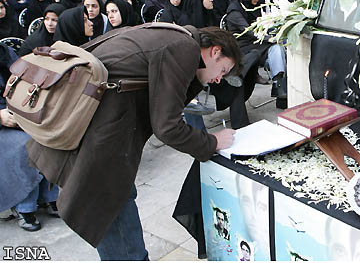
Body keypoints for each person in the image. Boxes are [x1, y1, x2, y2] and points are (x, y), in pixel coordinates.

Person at [26, 25, 241, 260]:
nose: (219, 79)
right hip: (100, 145)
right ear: (214, 51)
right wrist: (212, 142)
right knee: (118, 227)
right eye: (223, 69)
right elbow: (167, 127)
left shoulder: (172, 34)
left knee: (118, 205)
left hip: (91, 133)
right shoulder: (184, 47)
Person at [0, 43, 60, 232]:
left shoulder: (3, 51)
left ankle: (50, 196)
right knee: (24, 144)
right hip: (2, 122)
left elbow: (23, 76)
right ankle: (24, 206)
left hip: (17, 109)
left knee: (46, 132)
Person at [223, 0, 288, 127]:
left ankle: (278, 83)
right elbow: (249, 30)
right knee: (273, 45)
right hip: (242, 49)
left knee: (278, 49)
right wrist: (267, 37)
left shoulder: (254, 6)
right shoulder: (234, 10)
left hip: (258, 45)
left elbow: (261, 24)